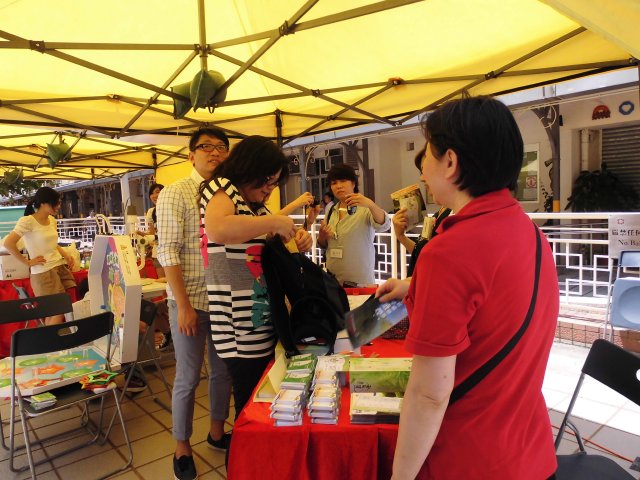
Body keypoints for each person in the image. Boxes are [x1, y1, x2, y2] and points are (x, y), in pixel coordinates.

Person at [377, 96, 559, 480]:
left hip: (467, 459)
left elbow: (430, 394)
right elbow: (493, 296)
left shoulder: (448, 252)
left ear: (450, 162)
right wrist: (413, 284)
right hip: (531, 453)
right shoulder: (530, 233)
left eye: (427, 155)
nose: (422, 172)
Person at [200, 135, 313, 421]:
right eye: (266, 181)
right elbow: (218, 228)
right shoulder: (222, 187)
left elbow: (267, 243)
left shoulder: (256, 207)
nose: (268, 189)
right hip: (238, 327)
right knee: (249, 403)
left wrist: (297, 239)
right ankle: (242, 448)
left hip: (260, 319)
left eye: (274, 183)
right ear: (248, 169)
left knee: (260, 399)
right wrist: (274, 222)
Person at [156, 127, 233, 480]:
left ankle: (217, 433)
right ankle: (181, 447)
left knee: (222, 371)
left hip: (223, 299)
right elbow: (167, 252)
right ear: (191, 155)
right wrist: (183, 306)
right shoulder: (175, 192)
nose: (215, 152)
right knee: (187, 377)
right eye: (206, 147)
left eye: (221, 147)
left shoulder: (228, 192)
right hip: (189, 301)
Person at [4, 187, 76, 325]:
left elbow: (52, 244)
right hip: (43, 272)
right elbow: (8, 243)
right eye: (55, 203)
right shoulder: (27, 221)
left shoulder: (52, 220)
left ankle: (51, 337)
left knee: (58, 310)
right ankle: (52, 338)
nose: (58, 206)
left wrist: (66, 255)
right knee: (59, 310)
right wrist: (27, 262)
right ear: (43, 203)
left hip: (59, 267)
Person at [317, 163, 390, 286]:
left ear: (353, 184)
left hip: (360, 283)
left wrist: (371, 205)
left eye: (343, 181)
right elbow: (324, 245)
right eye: (334, 183)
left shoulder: (365, 207)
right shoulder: (331, 211)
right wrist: (322, 237)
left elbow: (384, 225)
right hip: (333, 282)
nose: (339, 186)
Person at [393, 146, 451, 277]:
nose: (422, 178)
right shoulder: (439, 213)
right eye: (421, 170)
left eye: (426, 169)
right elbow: (420, 253)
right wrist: (401, 236)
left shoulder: (455, 216)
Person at [137, 182, 165, 279]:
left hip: (171, 251)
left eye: (157, 192)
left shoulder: (171, 209)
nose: (154, 195)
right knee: (162, 282)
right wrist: (138, 233)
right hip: (157, 252)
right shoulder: (151, 212)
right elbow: (152, 233)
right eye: (152, 193)